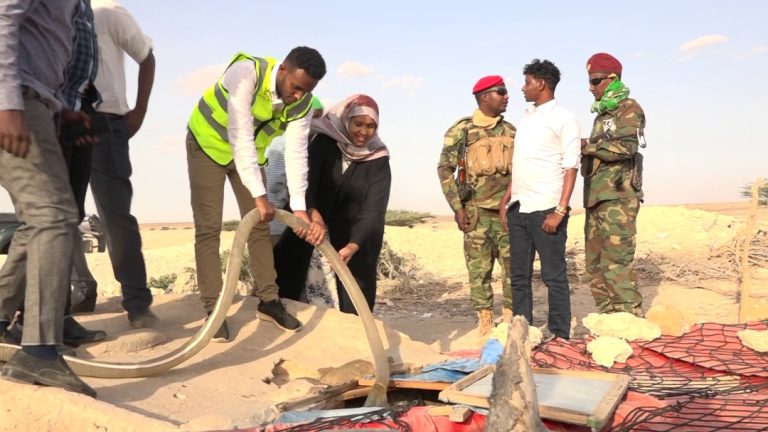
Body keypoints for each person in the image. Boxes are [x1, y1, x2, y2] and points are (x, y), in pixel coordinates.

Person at [186, 47, 327, 342]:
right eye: (296, 87)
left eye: (307, 90)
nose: (299, 95)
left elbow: (297, 153)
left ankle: (269, 300)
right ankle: (213, 310)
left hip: (248, 157)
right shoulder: (246, 73)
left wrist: (299, 207)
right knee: (209, 229)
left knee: (260, 226)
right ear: (284, 70)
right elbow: (240, 134)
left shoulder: (304, 103)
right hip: (208, 146)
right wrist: (259, 194)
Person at [0, 0, 96, 397]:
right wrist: (7, 103)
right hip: (16, 97)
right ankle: (38, 354)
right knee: (54, 217)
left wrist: (61, 108)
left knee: (38, 220)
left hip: (35, 99)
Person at [275, 94, 391, 314]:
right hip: (313, 231)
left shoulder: (378, 158)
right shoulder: (325, 143)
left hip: (354, 239)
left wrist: (353, 246)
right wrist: (313, 213)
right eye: (359, 124)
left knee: (352, 304)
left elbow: (374, 210)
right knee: (294, 290)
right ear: (346, 119)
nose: (364, 132)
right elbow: (304, 183)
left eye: (371, 126)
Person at [500, 59, 580, 340]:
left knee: (553, 276)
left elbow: (571, 166)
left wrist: (560, 210)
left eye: (527, 82)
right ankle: (523, 333)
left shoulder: (564, 119)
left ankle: (560, 337)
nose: (523, 88)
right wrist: (508, 198)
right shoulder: (527, 120)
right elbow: (523, 163)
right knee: (518, 278)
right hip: (519, 208)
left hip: (547, 208)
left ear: (541, 84)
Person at [90, 0, 157, 328]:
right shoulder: (47, 12)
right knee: (58, 219)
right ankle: (68, 301)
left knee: (116, 218)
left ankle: (137, 304)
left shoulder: (107, 12)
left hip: (106, 123)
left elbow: (146, 57)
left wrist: (139, 110)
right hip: (60, 119)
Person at [438, 76, 515, 337]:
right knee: (479, 269)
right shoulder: (462, 130)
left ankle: (509, 317)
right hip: (476, 212)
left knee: (513, 268)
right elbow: (445, 169)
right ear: (484, 97)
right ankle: (484, 319)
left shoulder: (512, 131)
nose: (507, 97)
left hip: (508, 213)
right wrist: (457, 208)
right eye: (501, 92)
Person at [582, 53, 646, 316]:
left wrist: (590, 146)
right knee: (594, 265)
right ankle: (609, 318)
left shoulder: (628, 107)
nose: (591, 87)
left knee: (616, 262)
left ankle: (629, 317)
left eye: (596, 81)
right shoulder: (601, 114)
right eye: (590, 81)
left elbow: (626, 147)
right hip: (596, 198)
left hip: (618, 197)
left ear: (612, 79)